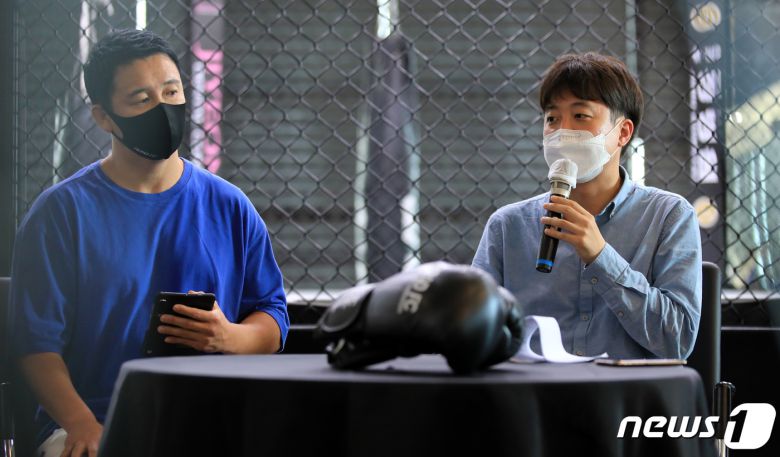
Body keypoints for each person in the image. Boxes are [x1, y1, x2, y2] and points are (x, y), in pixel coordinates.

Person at [8, 29, 289, 457]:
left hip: (210, 419)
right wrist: (82, 425)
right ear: (104, 117)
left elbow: (272, 315)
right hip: (93, 420)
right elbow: (35, 345)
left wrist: (229, 337)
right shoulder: (61, 213)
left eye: (171, 92)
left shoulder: (230, 205)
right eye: (141, 99)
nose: (162, 108)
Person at [472, 52, 702, 360]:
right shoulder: (507, 226)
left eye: (580, 116)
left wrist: (601, 256)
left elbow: (678, 340)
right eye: (552, 119)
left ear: (622, 132)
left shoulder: (669, 216)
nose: (562, 131)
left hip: (624, 389)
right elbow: (473, 331)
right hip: (532, 387)